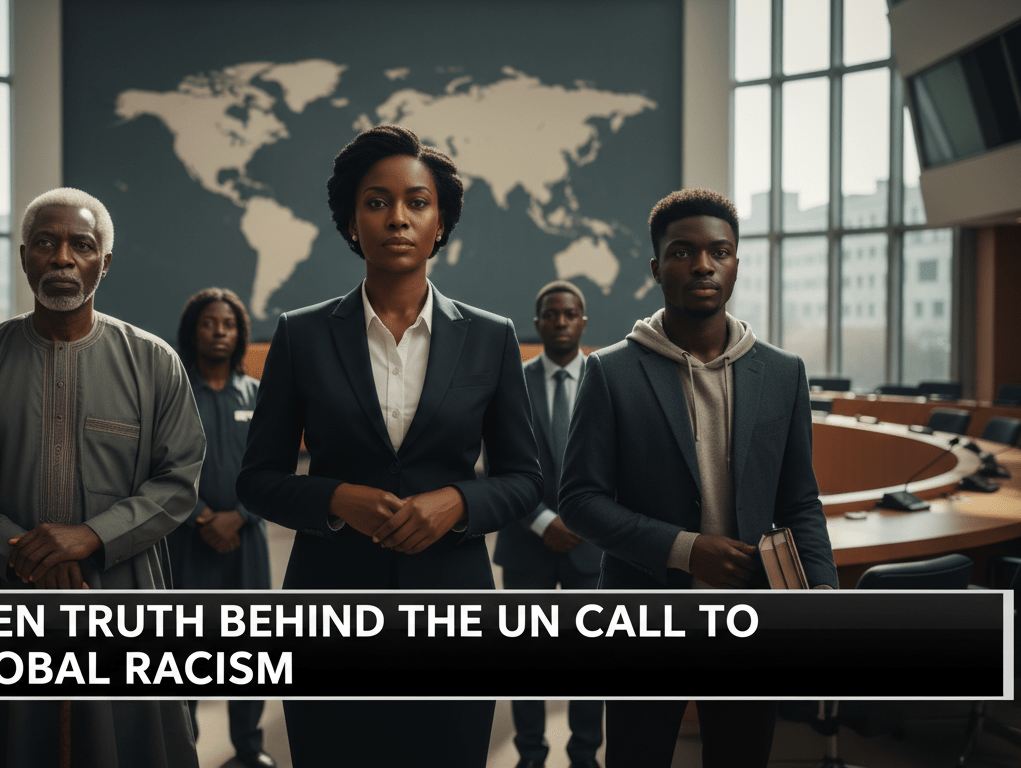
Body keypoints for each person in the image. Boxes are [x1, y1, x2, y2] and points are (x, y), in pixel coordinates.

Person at [236, 125, 543, 768]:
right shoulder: (300, 335)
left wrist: (456, 504)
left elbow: (524, 478)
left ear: (440, 224)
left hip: (453, 603)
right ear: (352, 222)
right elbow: (258, 479)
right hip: (328, 601)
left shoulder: (492, 338)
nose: (396, 218)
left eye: (417, 202)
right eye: (376, 202)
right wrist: (335, 498)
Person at [0, 187, 204, 768]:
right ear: (25, 257)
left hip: (119, 597)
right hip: (2, 598)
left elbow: (179, 481)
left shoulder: (153, 363)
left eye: (82, 244)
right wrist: (21, 549)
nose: (63, 258)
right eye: (46, 243)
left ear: (105, 262)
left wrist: (91, 536)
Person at [559, 188, 837, 768]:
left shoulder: (784, 373)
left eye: (720, 251)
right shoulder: (610, 372)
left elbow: (800, 501)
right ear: (657, 267)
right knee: (637, 756)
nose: (703, 265)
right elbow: (581, 500)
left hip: (749, 617)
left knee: (740, 757)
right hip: (642, 613)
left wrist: (823, 597)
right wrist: (686, 551)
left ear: (736, 263)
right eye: (683, 252)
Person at [495, 280, 603, 768]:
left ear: (583, 321)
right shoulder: (510, 381)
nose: (560, 322)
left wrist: (587, 520)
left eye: (570, 314)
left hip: (593, 544)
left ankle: (584, 755)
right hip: (525, 540)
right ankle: (530, 756)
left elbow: (622, 466)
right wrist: (541, 521)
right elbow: (497, 466)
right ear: (537, 324)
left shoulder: (608, 379)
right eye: (550, 315)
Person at [168, 287, 275, 768]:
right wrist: (202, 517)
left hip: (246, 539)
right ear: (194, 331)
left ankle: (249, 750)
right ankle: (179, 746)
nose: (219, 331)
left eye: (228, 324)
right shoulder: (172, 392)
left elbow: (276, 470)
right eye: (209, 323)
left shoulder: (258, 394)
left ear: (240, 334)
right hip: (188, 540)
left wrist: (240, 515)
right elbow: (156, 466)